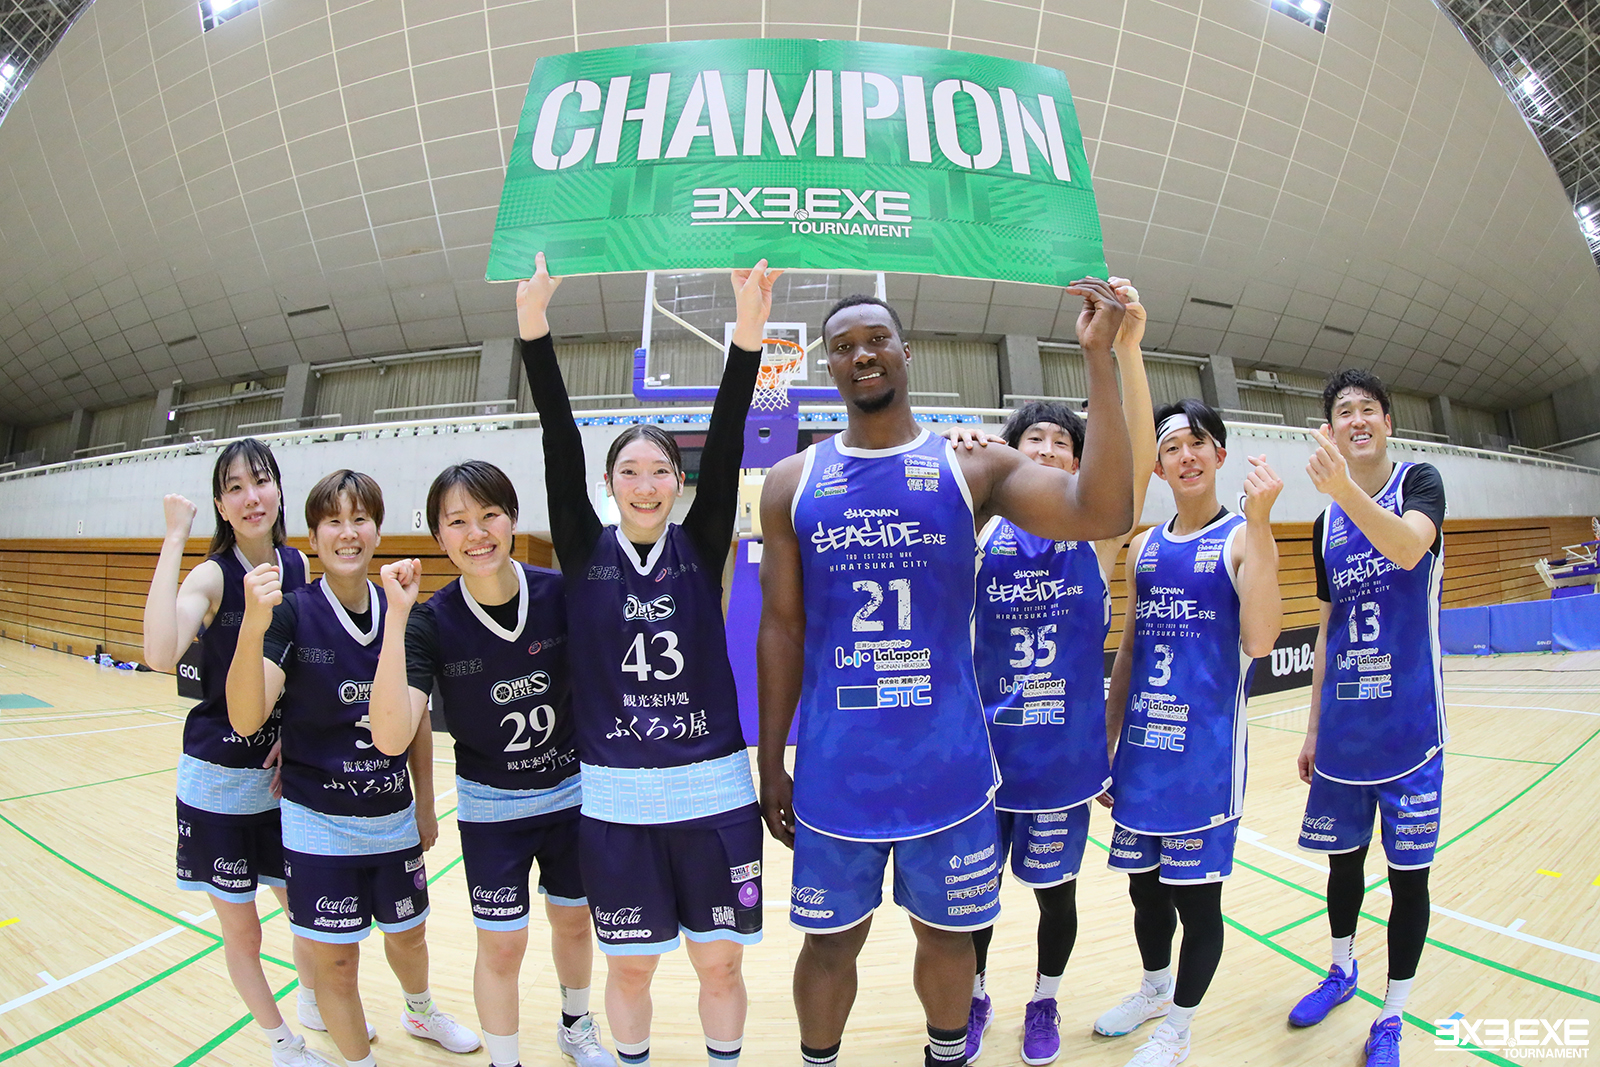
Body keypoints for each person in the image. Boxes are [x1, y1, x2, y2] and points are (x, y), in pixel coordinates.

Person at [757, 279, 1136, 1067]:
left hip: (948, 766)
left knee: (947, 934)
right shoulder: (792, 481)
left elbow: (1103, 510)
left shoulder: (972, 466)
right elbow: (783, 628)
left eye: (876, 339)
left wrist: (1099, 357)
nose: (862, 353)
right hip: (838, 768)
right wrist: (770, 759)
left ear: (906, 352)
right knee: (828, 944)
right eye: (843, 346)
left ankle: (946, 1055)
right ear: (828, 365)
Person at [517, 252, 781, 1067]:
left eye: (659, 469)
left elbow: (728, 437)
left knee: (721, 962)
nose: (644, 483)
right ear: (609, 483)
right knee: (630, 967)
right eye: (629, 471)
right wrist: (534, 329)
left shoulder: (700, 545)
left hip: (714, 791)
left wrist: (747, 335)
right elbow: (558, 436)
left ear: (678, 481)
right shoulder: (582, 548)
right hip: (618, 798)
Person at [948, 279, 1156, 1065]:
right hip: (986, 756)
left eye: (1061, 446)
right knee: (975, 898)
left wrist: (1126, 349)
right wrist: (958, 462)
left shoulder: (1095, 538)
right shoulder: (978, 531)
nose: (1045, 451)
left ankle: (1044, 997)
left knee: (1054, 894)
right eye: (1030, 443)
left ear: (1077, 463)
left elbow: (1134, 457)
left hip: (1063, 760)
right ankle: (973, 995)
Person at [227, 469, 479, 1067]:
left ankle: (419, 1011)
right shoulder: (291, 614)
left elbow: (417, 721)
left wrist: (424, 805)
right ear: (313, 536)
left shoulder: (404, 611)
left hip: (391, 814)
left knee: (409, 936)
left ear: (377, 530)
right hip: (318, 820)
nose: (347, 533)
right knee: (337, 962)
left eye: (360, 519)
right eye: (333, 521)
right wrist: (252, 626)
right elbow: (246, 717)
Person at [368, 460, 615, 1067]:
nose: (476, 533)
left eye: (490, 515)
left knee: (575, 923)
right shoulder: (429, 621)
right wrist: (395, 617)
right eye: (457, 522)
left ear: (512, 520)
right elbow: (391, 737)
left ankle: (576, 1026)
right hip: (492, 808)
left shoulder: (559, 592)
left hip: (571, 794)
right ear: (438, 536)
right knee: (503, 947)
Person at [1096, 400, 1282, 1067]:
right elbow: (1129, 649)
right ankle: (1154, 990)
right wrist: (1107, 742)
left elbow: (1260, 639)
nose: (1186, 455)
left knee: (1196, 902)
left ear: (1220, 455)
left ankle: (1178, 1028)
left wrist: (1262, 524)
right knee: (1144, 890)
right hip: (1142, 756)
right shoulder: (1145, 546)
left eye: (1199, 442)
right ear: (1159, 466)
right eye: (1173, 446)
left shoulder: (1242, 537)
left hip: (1204, 760)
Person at [142, 438, 332, 1067]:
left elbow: (306, 669)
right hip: (218, 783)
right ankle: (281, 1043)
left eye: (261, 481)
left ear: (278, 489)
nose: (251, 497)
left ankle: (312, 1000)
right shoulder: (212, 575)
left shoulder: (299, 566)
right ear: (221, 506)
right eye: (234, 488)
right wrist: (175, 537)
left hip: (281, 782)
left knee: (308, 913)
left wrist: (291, 732)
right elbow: (159, 654)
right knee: (244, 932)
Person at [1286, 370, 1447, 1067]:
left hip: (1412, 733)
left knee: (1408, 880)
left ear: (1386, 423)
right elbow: (1327, 631)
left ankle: (1393, 1012)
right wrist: (1313, 728)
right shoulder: (1324, 525)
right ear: (1331, 429)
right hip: (1345, 735)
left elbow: (1408, 548)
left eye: (1368, 410)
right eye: (1344, 411)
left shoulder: (1420, 482)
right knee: (1342, 866)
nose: (1357, 419)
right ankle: (1342, 967)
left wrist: (1344, 491)